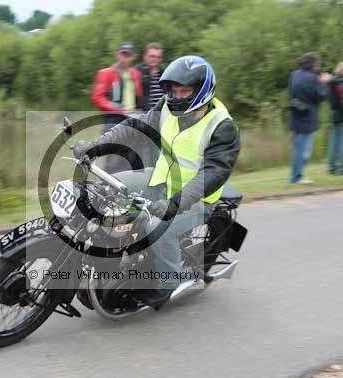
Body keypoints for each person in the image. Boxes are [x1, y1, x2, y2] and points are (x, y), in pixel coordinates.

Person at [74, 56, 241, 310]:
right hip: (159, 178)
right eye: (173, 90)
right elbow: (134, 126)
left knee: (157, 227)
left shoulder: (222, 126)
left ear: (201, 90)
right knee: (104, 189)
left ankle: (167, 282)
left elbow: (213, 173)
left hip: (195, 198)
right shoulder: (166, 106)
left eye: (184, 91)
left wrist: (174, 204)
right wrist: (96, 146)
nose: (176, 96)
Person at [91, 43, 144, 173]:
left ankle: (127, 184)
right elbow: (97, 98)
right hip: (114, 120)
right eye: (123, 54)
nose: (125, 58)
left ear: (133, 57)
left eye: (128, 55)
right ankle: (107, 184)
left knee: (132, 157)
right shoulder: (105, 73)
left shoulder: (136, 74)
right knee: (114, 159)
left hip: (133, 120)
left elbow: (139, 96)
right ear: (117, 55)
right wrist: (118, 109)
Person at [288, 52, 332, 184]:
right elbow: (319, 96)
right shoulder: (311, 78)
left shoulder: (295, 74)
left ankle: (296, 175)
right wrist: (324, 83)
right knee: (303, 149)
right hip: (307, 116)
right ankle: (297, 177)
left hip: (296, 112)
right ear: (313, 63)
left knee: (298, 147)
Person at [136, 42, 166, 111]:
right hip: (143, 113)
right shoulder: (136, 73)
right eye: (152, 56)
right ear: (144, 57)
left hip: (161, 113)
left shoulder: (164, 75)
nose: (155, 59)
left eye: (158, 57)